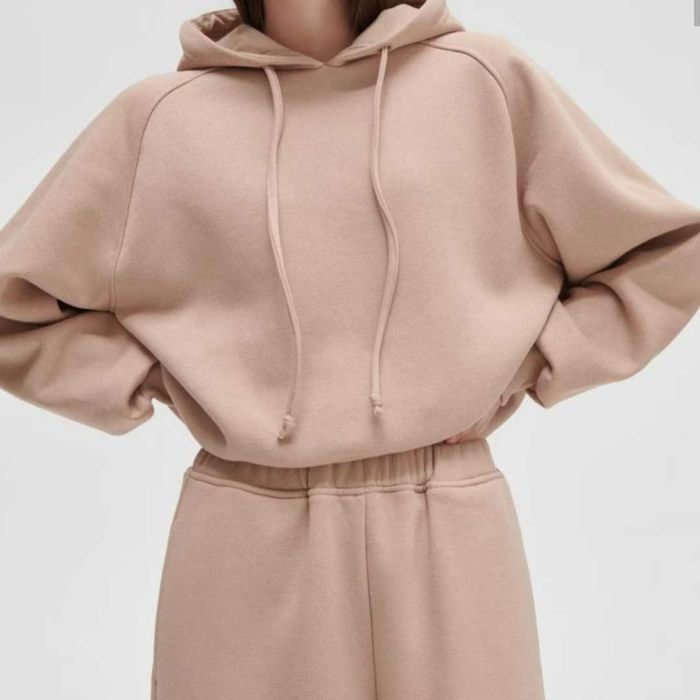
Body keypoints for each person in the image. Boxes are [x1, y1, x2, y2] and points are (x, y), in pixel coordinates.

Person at [1, 0, 698, 697]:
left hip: (447, 518)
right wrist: (156, 380)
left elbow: (667, 254)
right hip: (245, 534)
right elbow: (13, 307)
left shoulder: (483, 80)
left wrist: (532, 362)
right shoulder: (160, 120)